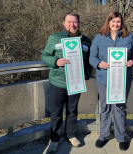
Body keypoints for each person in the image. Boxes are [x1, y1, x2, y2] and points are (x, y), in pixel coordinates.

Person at [41, 12, 92, 153]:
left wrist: (85, 77)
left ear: (79, 23)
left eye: (75, 22)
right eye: (69, 22)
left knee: (72, 111)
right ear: (64, 23)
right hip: (58, 82)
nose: (72, 25)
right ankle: (55, 139)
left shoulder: (86, 41)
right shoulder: (55, 38)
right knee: (56, 112)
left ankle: (71, 135)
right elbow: (44, 56)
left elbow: (88, 62)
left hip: (76, 83)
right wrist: (55, 62)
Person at [89, 11, 133, 151]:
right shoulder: (99, 38)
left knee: (119, 107)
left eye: (118, 21)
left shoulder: (129, 37)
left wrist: (132, 62)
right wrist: (99, 64)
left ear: (121, 23)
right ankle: (103, 135)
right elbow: (91, 57)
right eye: (113, 21)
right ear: (108, 22)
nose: (116, 24)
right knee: (105, 107)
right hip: (103, 79)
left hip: (122, 80)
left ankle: (121, 137)